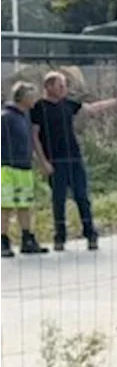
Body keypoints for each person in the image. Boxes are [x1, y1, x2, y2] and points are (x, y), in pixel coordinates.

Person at [30, 71, 117, 251]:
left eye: (65, 86)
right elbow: (34, 136)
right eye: (60, 86)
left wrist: (115, 102)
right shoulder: (38, 107)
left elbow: (91, 108)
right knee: (58, 200)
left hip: (74, 157)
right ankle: (60, 236)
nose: (64, 89)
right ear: (49, 87)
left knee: (82, 196)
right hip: (55, 160)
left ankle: (90, 233)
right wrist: (42, 161)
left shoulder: (68, 104)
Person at [0, 82, 50, 258]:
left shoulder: (25, 116)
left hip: (24, 167)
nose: (35, 99)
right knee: (5, 205)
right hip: (6, 168)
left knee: (24, 204)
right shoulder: (5, 117)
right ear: (23, 97)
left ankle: (27, 239)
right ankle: (3, 241)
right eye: (33, 95)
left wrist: (39, 161)